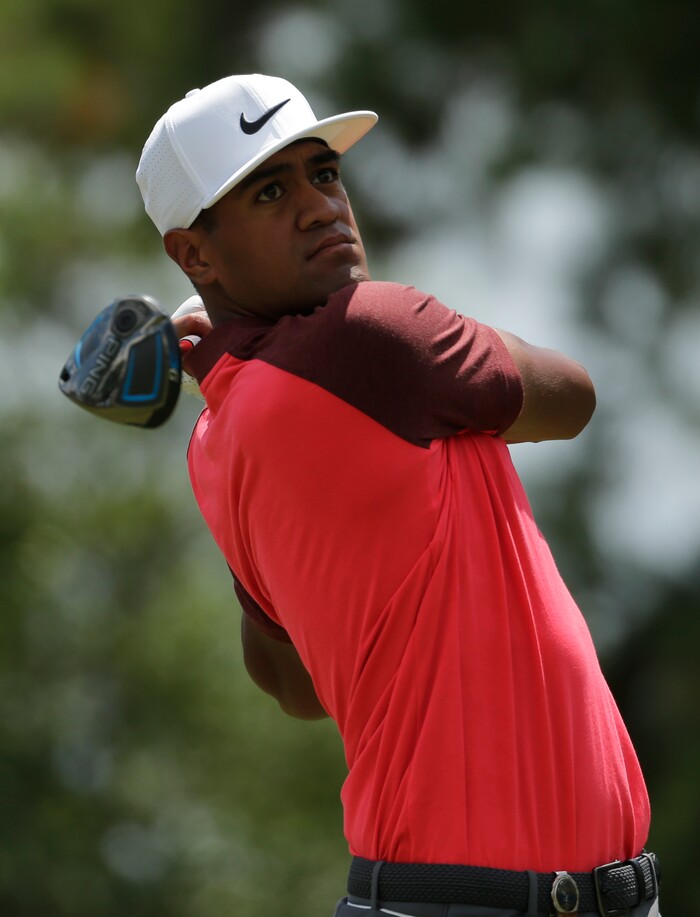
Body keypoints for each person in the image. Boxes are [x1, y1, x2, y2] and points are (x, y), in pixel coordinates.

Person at [136, 74, 660, 916]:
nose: (321, 208)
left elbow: (295, 686)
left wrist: (225, 344)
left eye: (325, 174)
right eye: (271, 191)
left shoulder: (217, 437)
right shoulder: (377, 336)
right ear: (193, 253)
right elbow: (572, 396)